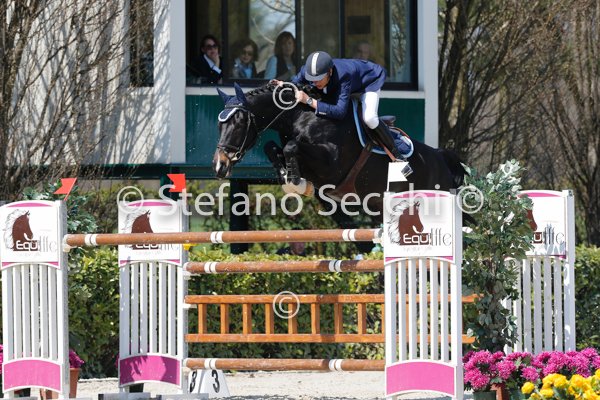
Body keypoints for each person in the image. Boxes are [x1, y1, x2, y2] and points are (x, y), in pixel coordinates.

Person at [285, 50, 411, 169]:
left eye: (319, 78)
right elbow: (293, 84)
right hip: (349, 84)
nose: (315, 82)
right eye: (312, 79)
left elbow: (339, 112)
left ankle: (397, 155)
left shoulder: (344, 75)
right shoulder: (308, 72)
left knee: (369, 119)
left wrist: (309, 101)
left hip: (369, 82)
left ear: (330, 71)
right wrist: (282, 85)